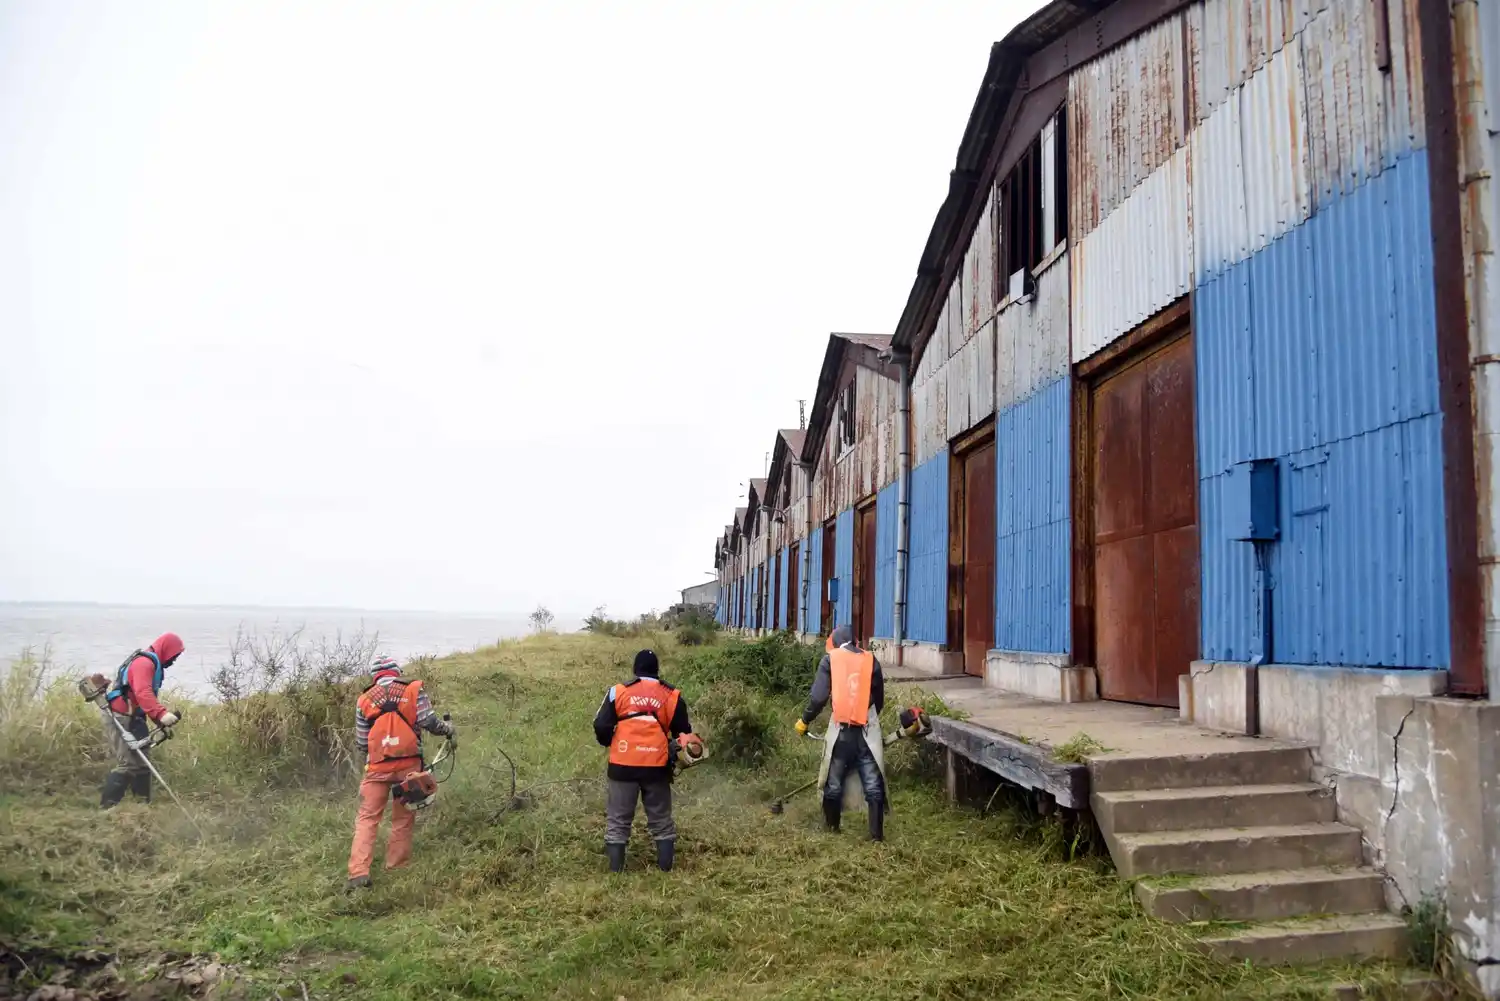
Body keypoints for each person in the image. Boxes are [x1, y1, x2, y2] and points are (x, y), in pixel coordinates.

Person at [346, 656, 455, 890]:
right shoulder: (413, 690)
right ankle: (396, 866)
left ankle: (358, 873)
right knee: (403, 817)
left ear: (374, 676)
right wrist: (448, 729)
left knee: (367, 818)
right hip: (408, 766)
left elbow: (362, 742)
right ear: (397, 672)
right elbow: (429, 722)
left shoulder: (364, 699)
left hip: (376, 767)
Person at [593, 649, 693, 873]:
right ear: (657, 670)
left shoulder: (618, 692)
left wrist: (609, 741)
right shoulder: (672, 695)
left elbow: (601, 725)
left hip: (622, 764)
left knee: (618, 819)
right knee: (661, 818)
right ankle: (665, 869)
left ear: (635, 669)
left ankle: (616, 871)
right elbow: (683, 734)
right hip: (656, 767)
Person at [796, 624, 888, 841]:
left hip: (841, 731)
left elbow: (818, 698)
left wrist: (804, 720)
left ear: (835, 643)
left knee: (834, 780)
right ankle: (876, 836)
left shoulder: (830, 659)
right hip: (866, 730)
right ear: (855, 642)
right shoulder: (871, 659)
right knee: (873, 783)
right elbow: (879, 699)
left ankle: (832, 829)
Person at [100, 633, 185, 809]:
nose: (174, 661)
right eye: (174, 656)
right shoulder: (143, 664)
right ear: (166, 650)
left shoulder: (152, 664)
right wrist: (162, 714)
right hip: (119, 717)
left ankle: (142, 807)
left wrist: (159, 722)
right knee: (128, 764)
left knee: (143, 764)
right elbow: (143, 692)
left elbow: (145, 699)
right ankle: (106, 810)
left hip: (136, 717)